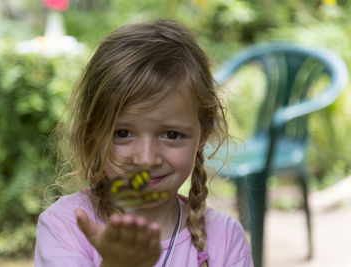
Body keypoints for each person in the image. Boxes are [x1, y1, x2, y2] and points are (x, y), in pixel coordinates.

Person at [35, 18, 253, 267]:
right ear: (92, 133)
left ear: (203, 133)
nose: (146, 159)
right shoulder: (67, 226)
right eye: (123, 133)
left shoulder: (225, 239)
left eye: (171, 135)